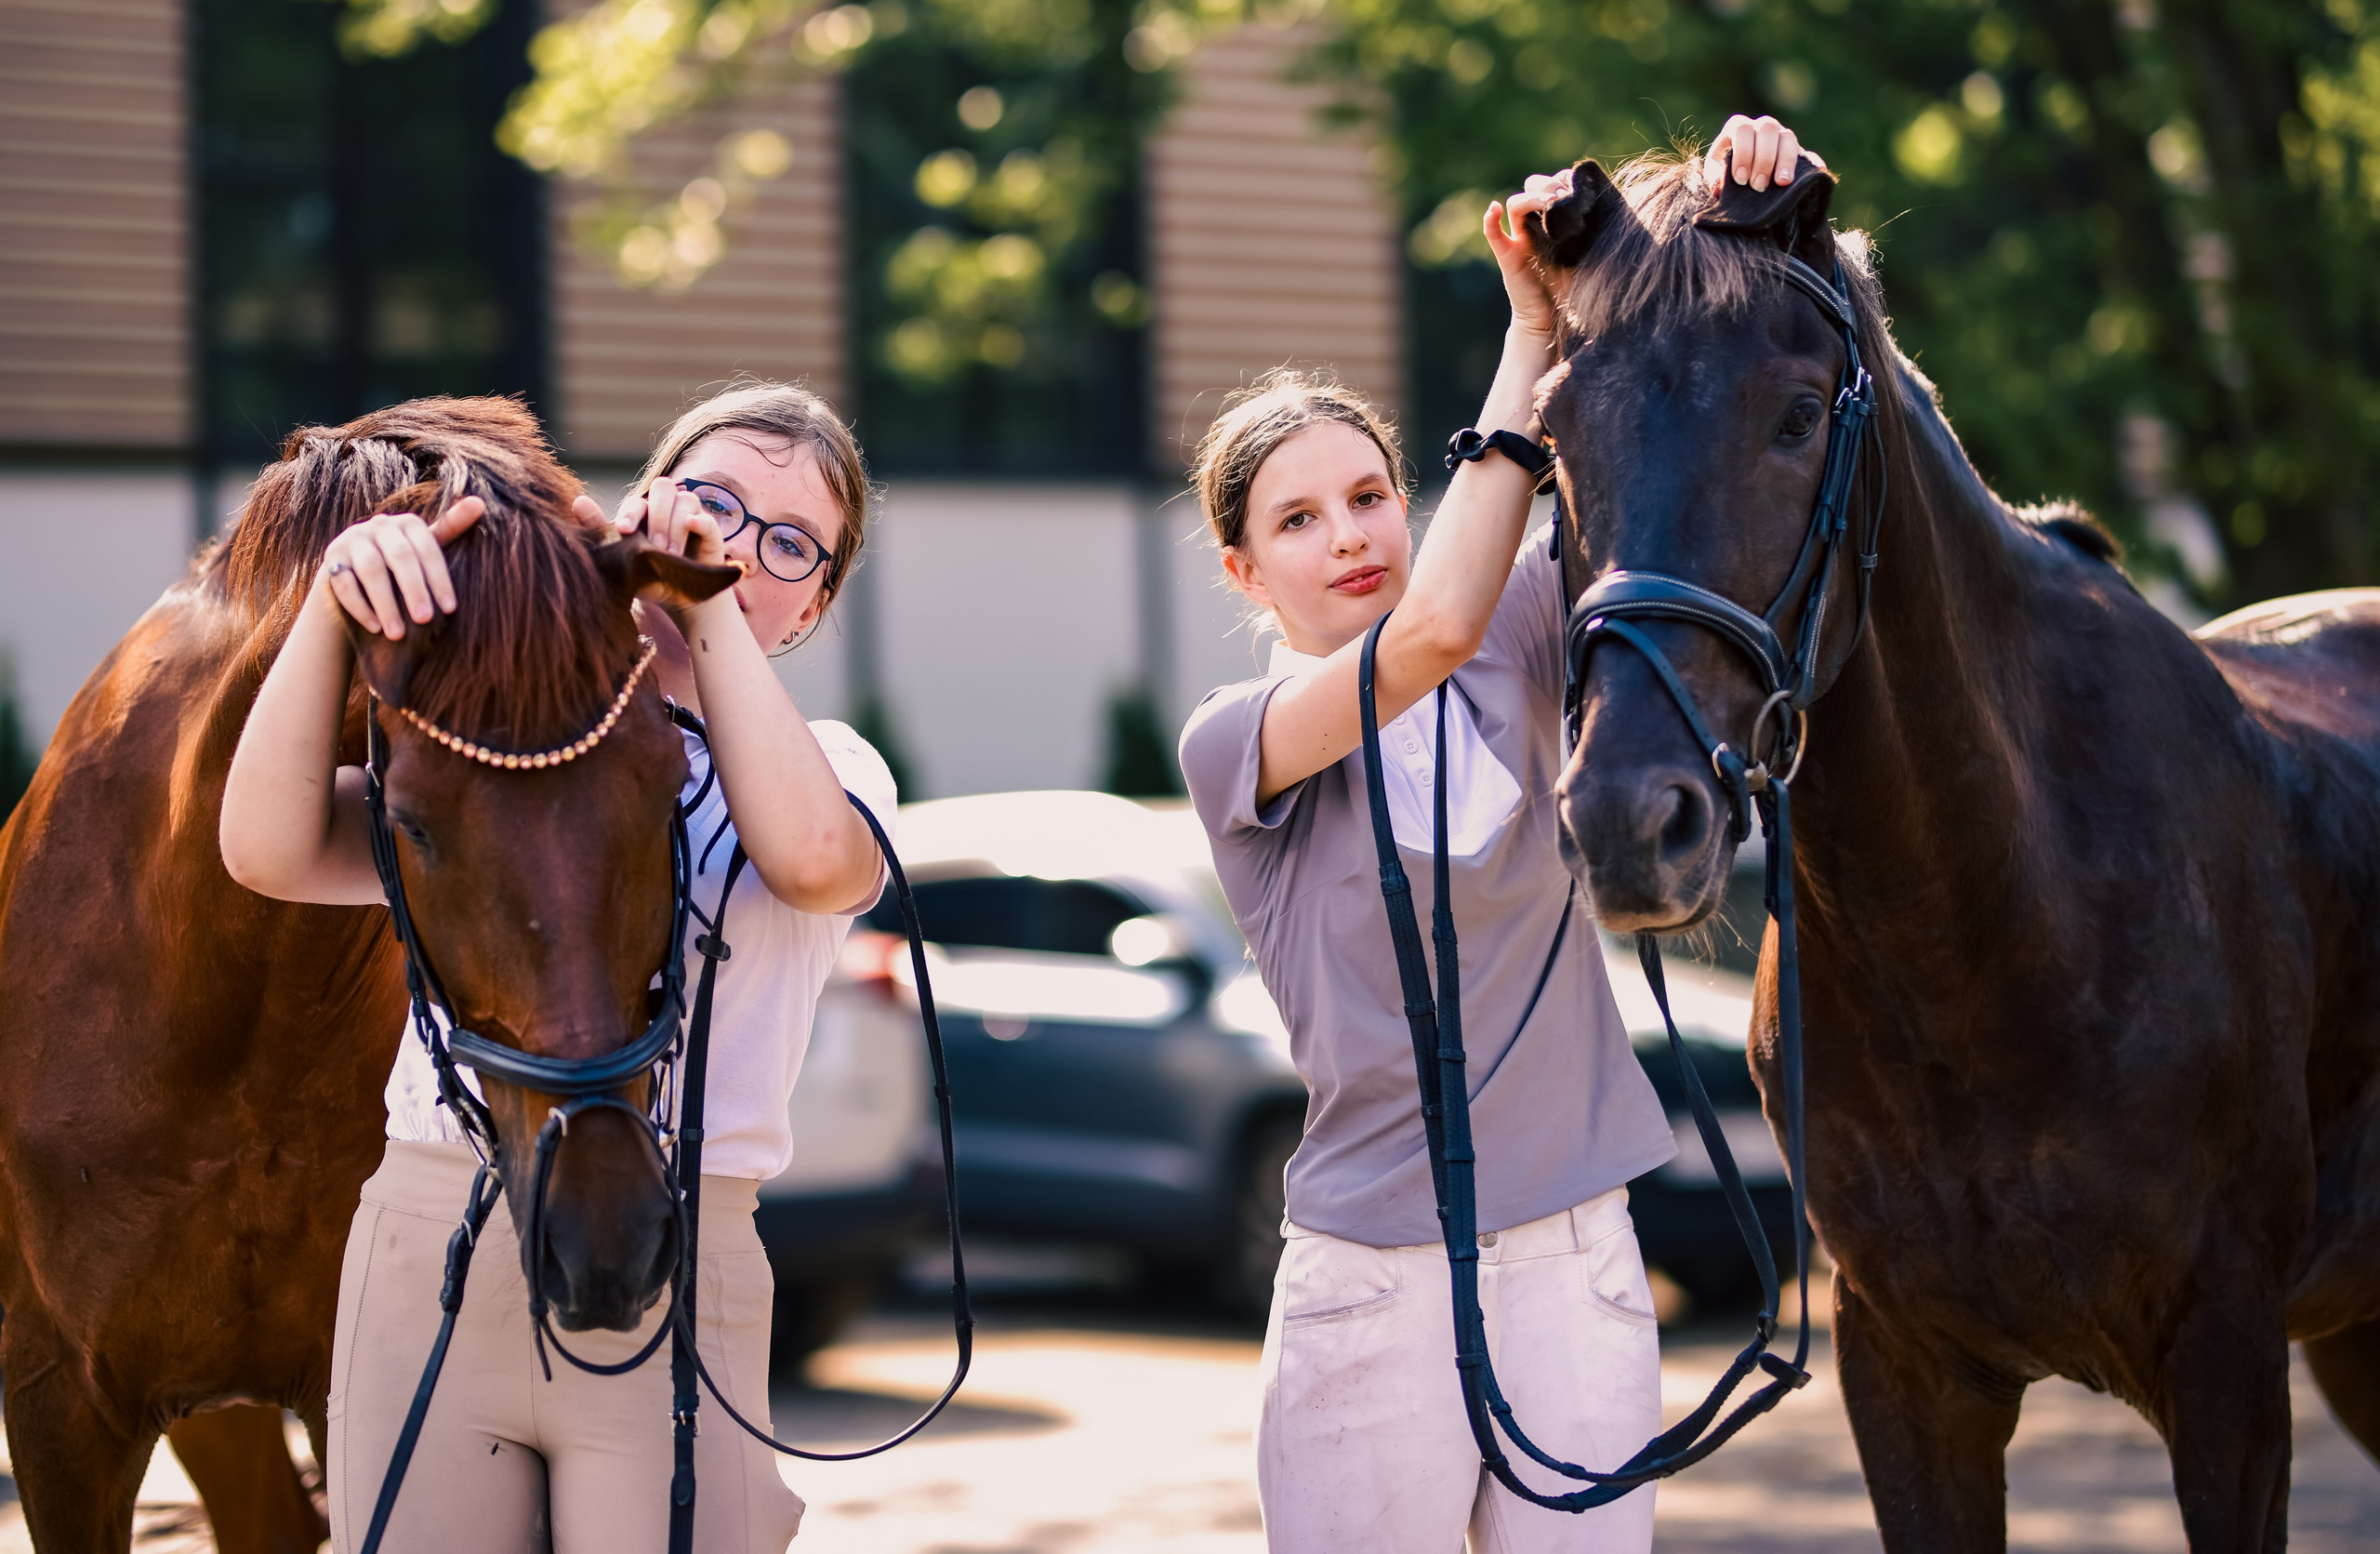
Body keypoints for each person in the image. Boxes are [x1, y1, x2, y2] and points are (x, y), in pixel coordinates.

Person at [1176, 117, 1810, 1552]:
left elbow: (1665, 465)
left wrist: (1733, 203)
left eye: (1366, 496)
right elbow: (1435, 619)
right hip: (1367, 1282)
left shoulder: (1531, 631)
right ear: (1243, 568)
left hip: (1574, 1256)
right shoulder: (1240, 739)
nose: (1349, 535)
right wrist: (1522, 338)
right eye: (1298, 520)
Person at [218, 380, 892, 1551]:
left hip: (672, 1246)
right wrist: (332, 610)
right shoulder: (506, 737)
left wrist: (710, 608)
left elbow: (813, 858)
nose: (737, 544)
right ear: (640, 502)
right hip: (435, 1224)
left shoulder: (834, 765)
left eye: (789, 545)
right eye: (712, 500)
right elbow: (268, 849)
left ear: (815, 603)